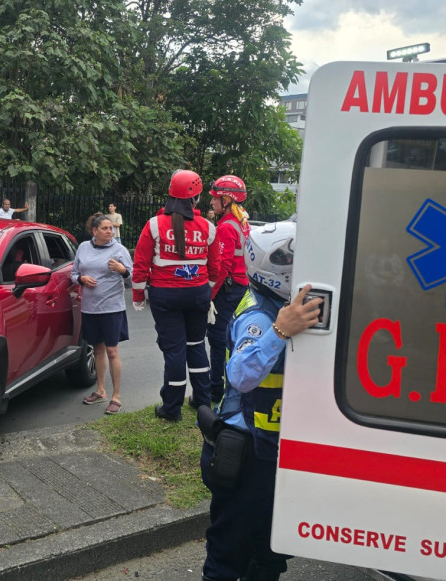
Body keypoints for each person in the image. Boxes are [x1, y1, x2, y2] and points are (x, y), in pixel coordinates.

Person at [199, 221, 320, 581]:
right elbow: (240, 374)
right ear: (277, 268)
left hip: (279, 449)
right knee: (229, 551)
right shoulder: (260, 315)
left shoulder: (287, 305)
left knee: (272, 551)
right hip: (250, 452)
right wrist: (280, 331)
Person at [132, 169, 220, 421]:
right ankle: (203, 403)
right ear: (195, 199)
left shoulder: (154, 224)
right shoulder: (208, 227)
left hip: (166, 296)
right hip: (198, 295)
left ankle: (172, 408)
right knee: (196, 346)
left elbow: (140, 264)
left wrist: (138, 296)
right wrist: (207, 291)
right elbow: (215, 267)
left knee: (174, 350)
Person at [72, 213, 133, 415]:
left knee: (112, 351)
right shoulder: (83, 247)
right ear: (94, 231)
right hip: (90, 308)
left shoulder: (119, 250)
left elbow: (131, 276)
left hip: (112, 308)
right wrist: (81, 279)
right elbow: (73, 273)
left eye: (111, 228)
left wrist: (122, 269)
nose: (110, 231)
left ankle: (116, 396)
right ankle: (100, 390)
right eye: (105, 228)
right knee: (97, 349)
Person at [206, 175, 251, 405]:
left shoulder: (225, 227)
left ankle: (216, 389)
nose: (211, 202)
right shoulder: (242, 221)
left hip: (227, 289)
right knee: (231, 336)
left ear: (226, 200)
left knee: (216, 338)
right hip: (241, 287)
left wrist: (209, 296)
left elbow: (222, 267)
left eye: (215, 198)